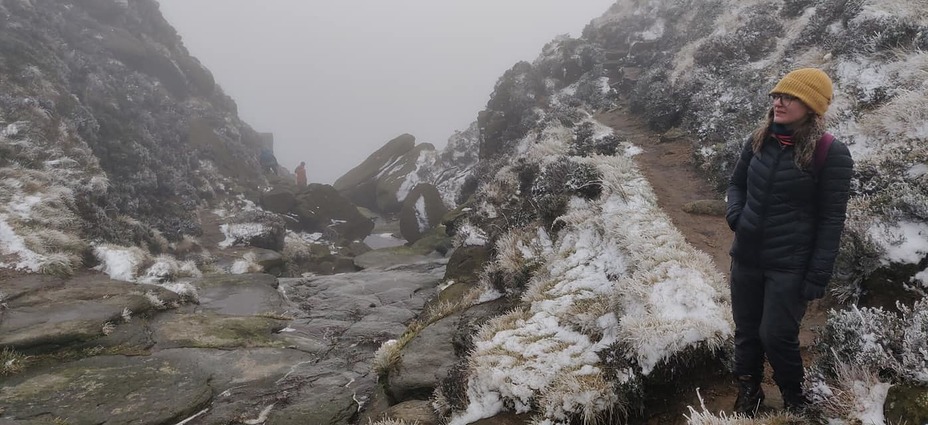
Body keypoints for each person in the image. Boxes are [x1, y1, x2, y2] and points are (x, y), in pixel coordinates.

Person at [725, 68, 854, 416]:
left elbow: (831, 220)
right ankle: (749, 393)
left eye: (790, 97)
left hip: (790, 264)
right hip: (747, 256)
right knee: (747, 331)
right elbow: (737, 185)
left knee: (776, 334)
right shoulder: (758, 140)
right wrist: (736, 216)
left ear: (811, 105)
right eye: (777, 95)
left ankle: (794, 399)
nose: (779, 102)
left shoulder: (831, 153)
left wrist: (818, 275)